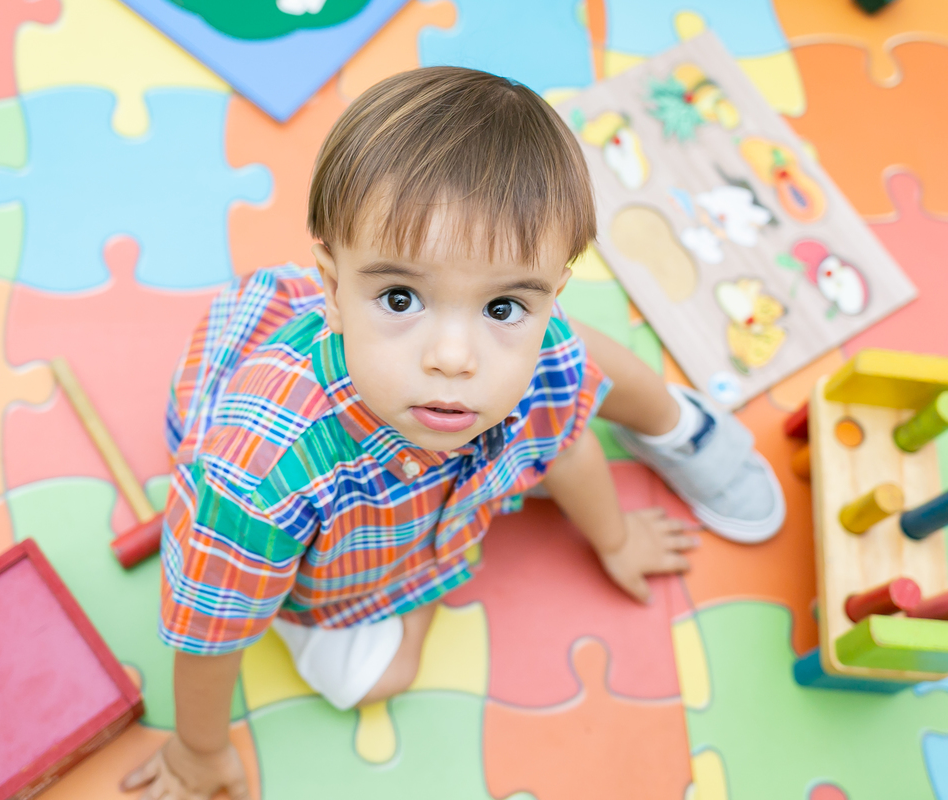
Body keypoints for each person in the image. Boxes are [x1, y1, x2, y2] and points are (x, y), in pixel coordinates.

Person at [121, 66, 785, 799]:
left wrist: (616, 538)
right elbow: (213, 634)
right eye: (400, 296)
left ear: (549, 293)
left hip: (450, 456)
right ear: (334, 288)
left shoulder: (523, 360)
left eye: (505, 305)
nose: (453, 357)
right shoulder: (255, 480)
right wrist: (197, 752)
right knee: (377, 679)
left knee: (577, 363)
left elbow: (566, 442)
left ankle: (677, 424)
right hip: (322, 546)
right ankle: (432, 572)